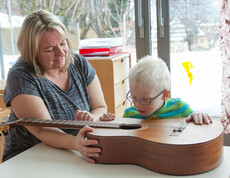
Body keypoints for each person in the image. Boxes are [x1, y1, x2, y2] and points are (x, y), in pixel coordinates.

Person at [2, 9, 111, 163]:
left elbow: (100, 106)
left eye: (63, 43)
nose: (61, 53)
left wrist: (90, 119)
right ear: (32, 52)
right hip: (28, 157)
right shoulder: (20, 76)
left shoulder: (78, 63)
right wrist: (76, 143)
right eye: (50, 49)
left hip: (73, 151)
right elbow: (43, 129)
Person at [123, 55, 212, 125]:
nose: (138, 105)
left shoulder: (180, 107)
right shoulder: (130, 115)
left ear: (165, 95)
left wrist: (196, 114)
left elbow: (194, 121)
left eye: (146, 100)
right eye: (134, 98)